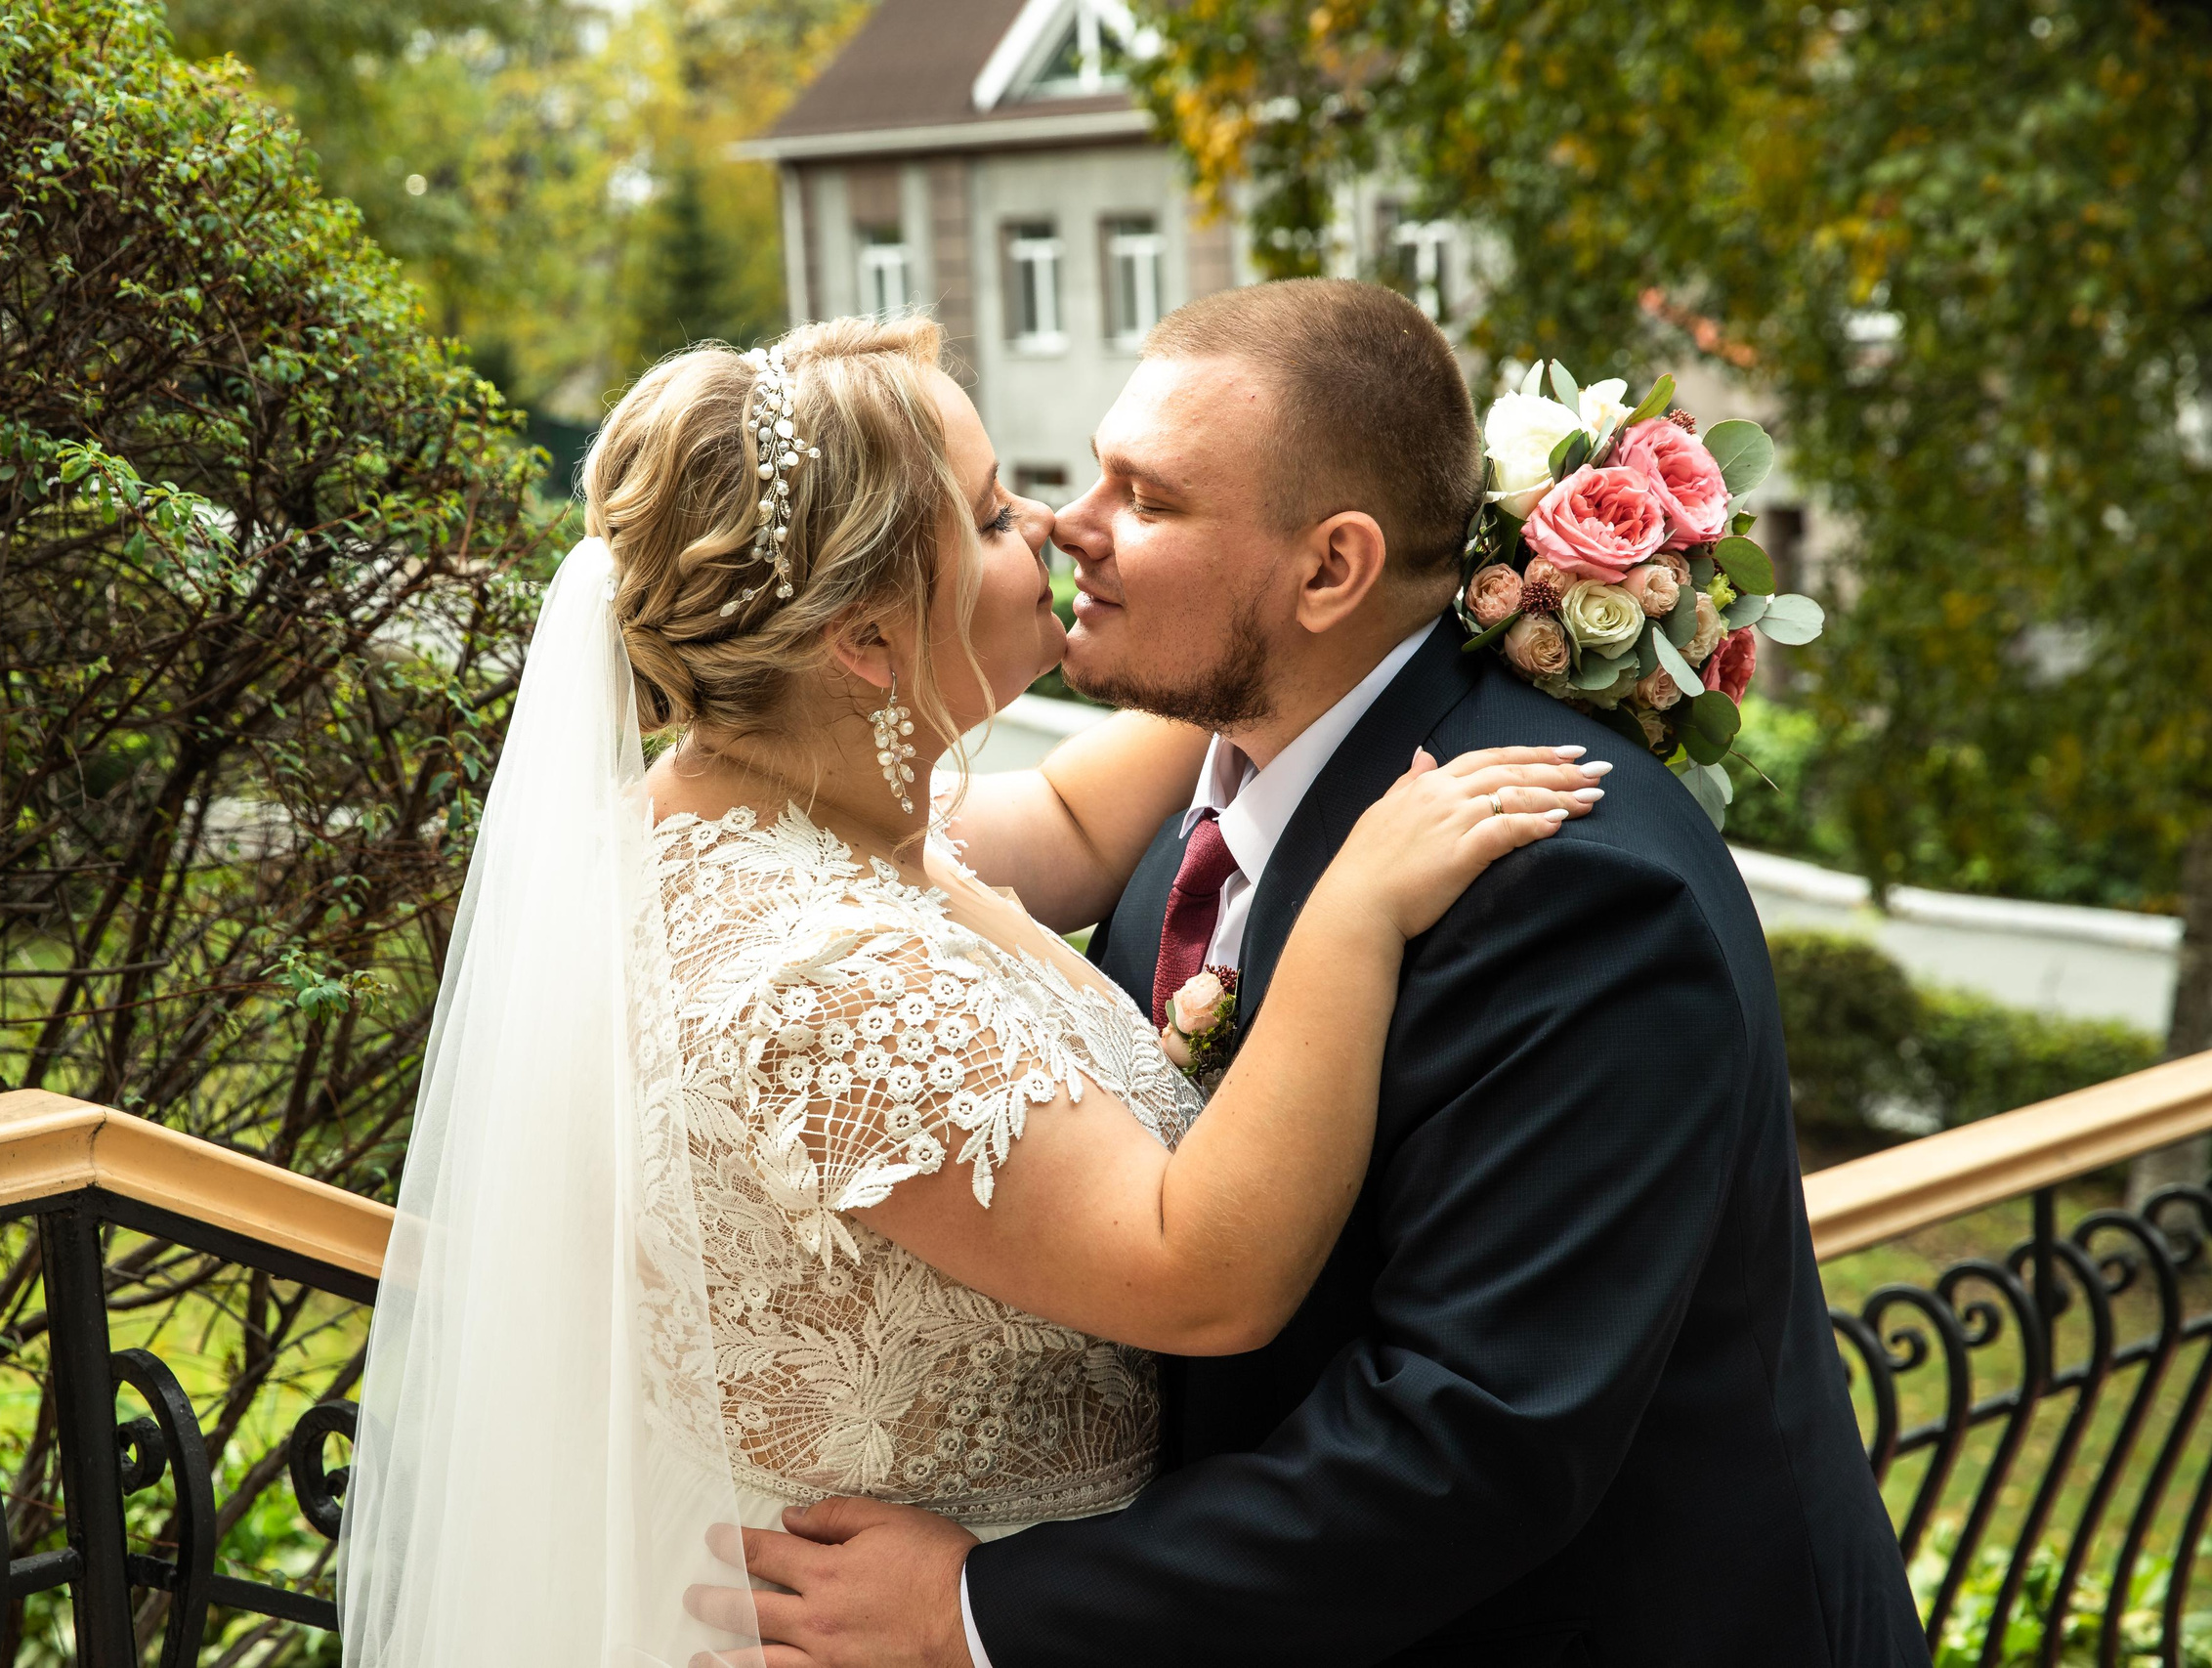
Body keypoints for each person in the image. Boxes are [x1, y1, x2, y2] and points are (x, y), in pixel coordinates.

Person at [334, 309, 1604, 1667]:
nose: (1053, 527)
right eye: (996, 518)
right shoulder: (819, 985)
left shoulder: (767, 817)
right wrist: (1356, 904)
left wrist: (1390, 603)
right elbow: (1201, 1271)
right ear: (870, 643)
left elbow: (1063, 817)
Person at [699, 281, 1931, 1666]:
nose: (1069, 527)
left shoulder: (1571, 889)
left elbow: (1471, 1438)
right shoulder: (1218, 779)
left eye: (1147, 500)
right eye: (1082, 477)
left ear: (1332, 570)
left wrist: (982, 1615)